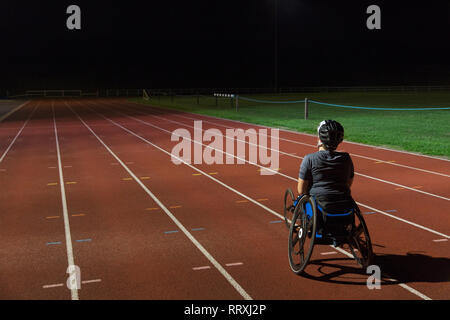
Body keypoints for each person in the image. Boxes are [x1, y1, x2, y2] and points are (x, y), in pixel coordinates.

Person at [297, 120, 355, 216]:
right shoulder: (346, 158)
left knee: (301, 199)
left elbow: (301, 190)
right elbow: (348, 183)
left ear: (320, 138)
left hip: (319, 205)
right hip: (343, 203)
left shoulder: (309, 158)